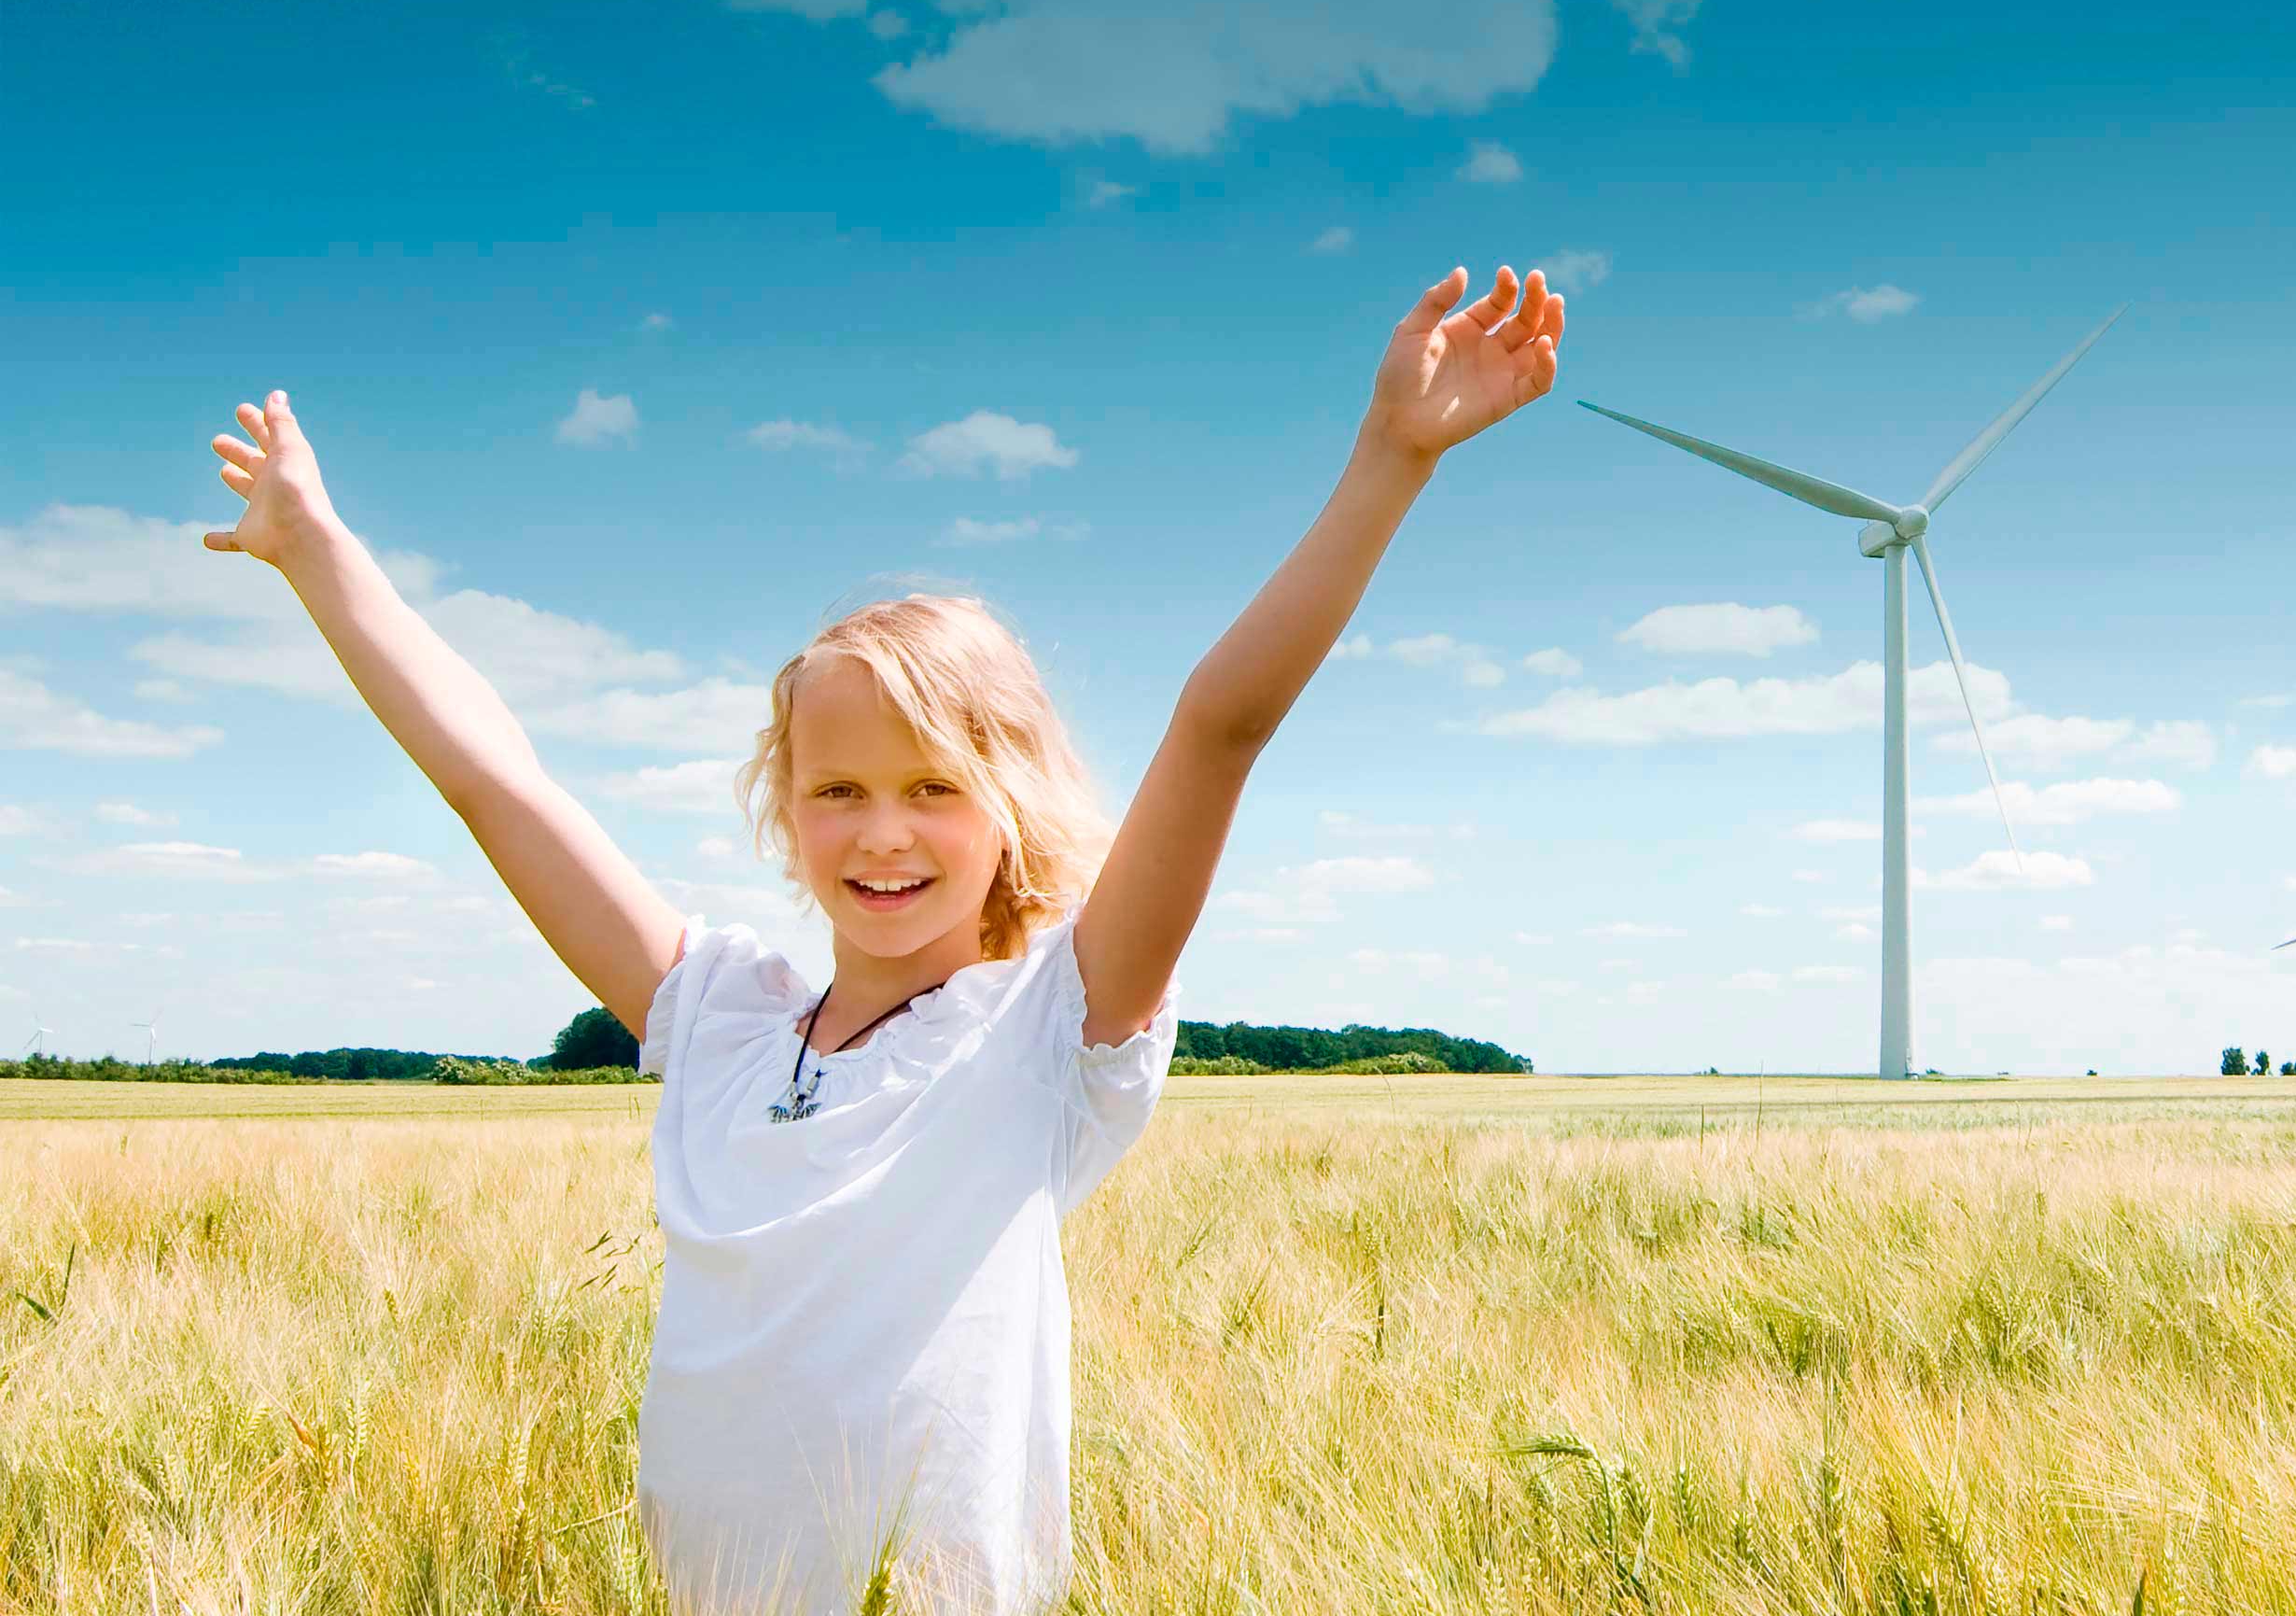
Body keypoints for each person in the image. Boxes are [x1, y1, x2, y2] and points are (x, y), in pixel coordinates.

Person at [197, 265, 1567, 1612]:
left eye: (933, 788)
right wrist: (319, 549)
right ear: (783, 805)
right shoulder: (719, 1021)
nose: (883, 835)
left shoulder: (1051, 1029)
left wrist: (1392, 458)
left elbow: (1220, 726)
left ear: (1010, 805)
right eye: (838, 790)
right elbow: (496, 783)